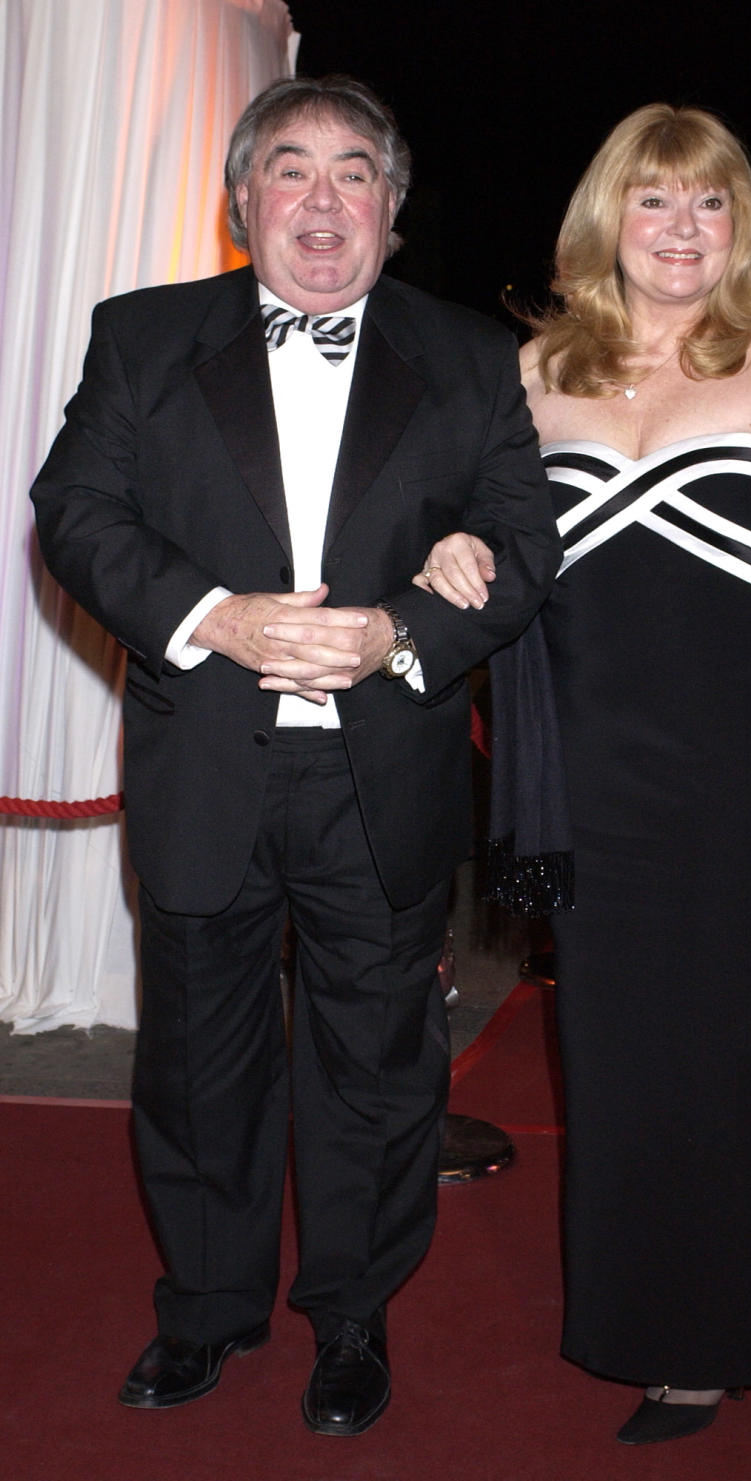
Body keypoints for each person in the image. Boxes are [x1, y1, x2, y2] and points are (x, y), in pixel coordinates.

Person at [30, 75, 559, 1437]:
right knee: (200, 1064)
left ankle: (351, 1319)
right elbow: (75, 515)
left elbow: (524, 546)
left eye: (352, 175)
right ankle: (204, 1311)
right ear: (241, 202)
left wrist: (402, 625)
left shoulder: (471, 356)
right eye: (290, 170)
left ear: (392, 209)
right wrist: (219, 617)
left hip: (382, 774)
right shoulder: (144, 339)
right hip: (208, 757)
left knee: (378, 1066)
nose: (322, 201)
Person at [415, 104, 751, 1446]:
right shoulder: (536, 368)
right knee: (615, 1042)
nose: (683, 230)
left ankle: (732, 1325)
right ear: (608, 221)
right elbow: (486, 528)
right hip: (582, 759)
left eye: (710, 205)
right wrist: (453, 550)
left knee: (732, 1028)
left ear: (742, 225)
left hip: (738, 763)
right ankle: (654, 1319)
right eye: (655, 203)